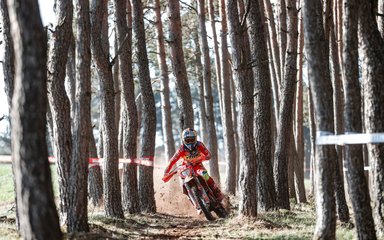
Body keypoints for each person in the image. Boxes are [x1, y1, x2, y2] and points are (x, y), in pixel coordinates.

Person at [162, 128, 224, 202]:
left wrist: (205, 157)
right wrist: (166, 172)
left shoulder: (199, 145)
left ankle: (217, 192)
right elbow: (172, 161)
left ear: (196, 139)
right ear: (183, 140)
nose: (190, 143)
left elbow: (208, 154)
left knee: (205, 175)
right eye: (187, 140)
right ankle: (193, 201)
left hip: (198, 165)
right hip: (187, 167)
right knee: (184, 183)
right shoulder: (181, 149)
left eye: (192, 140)